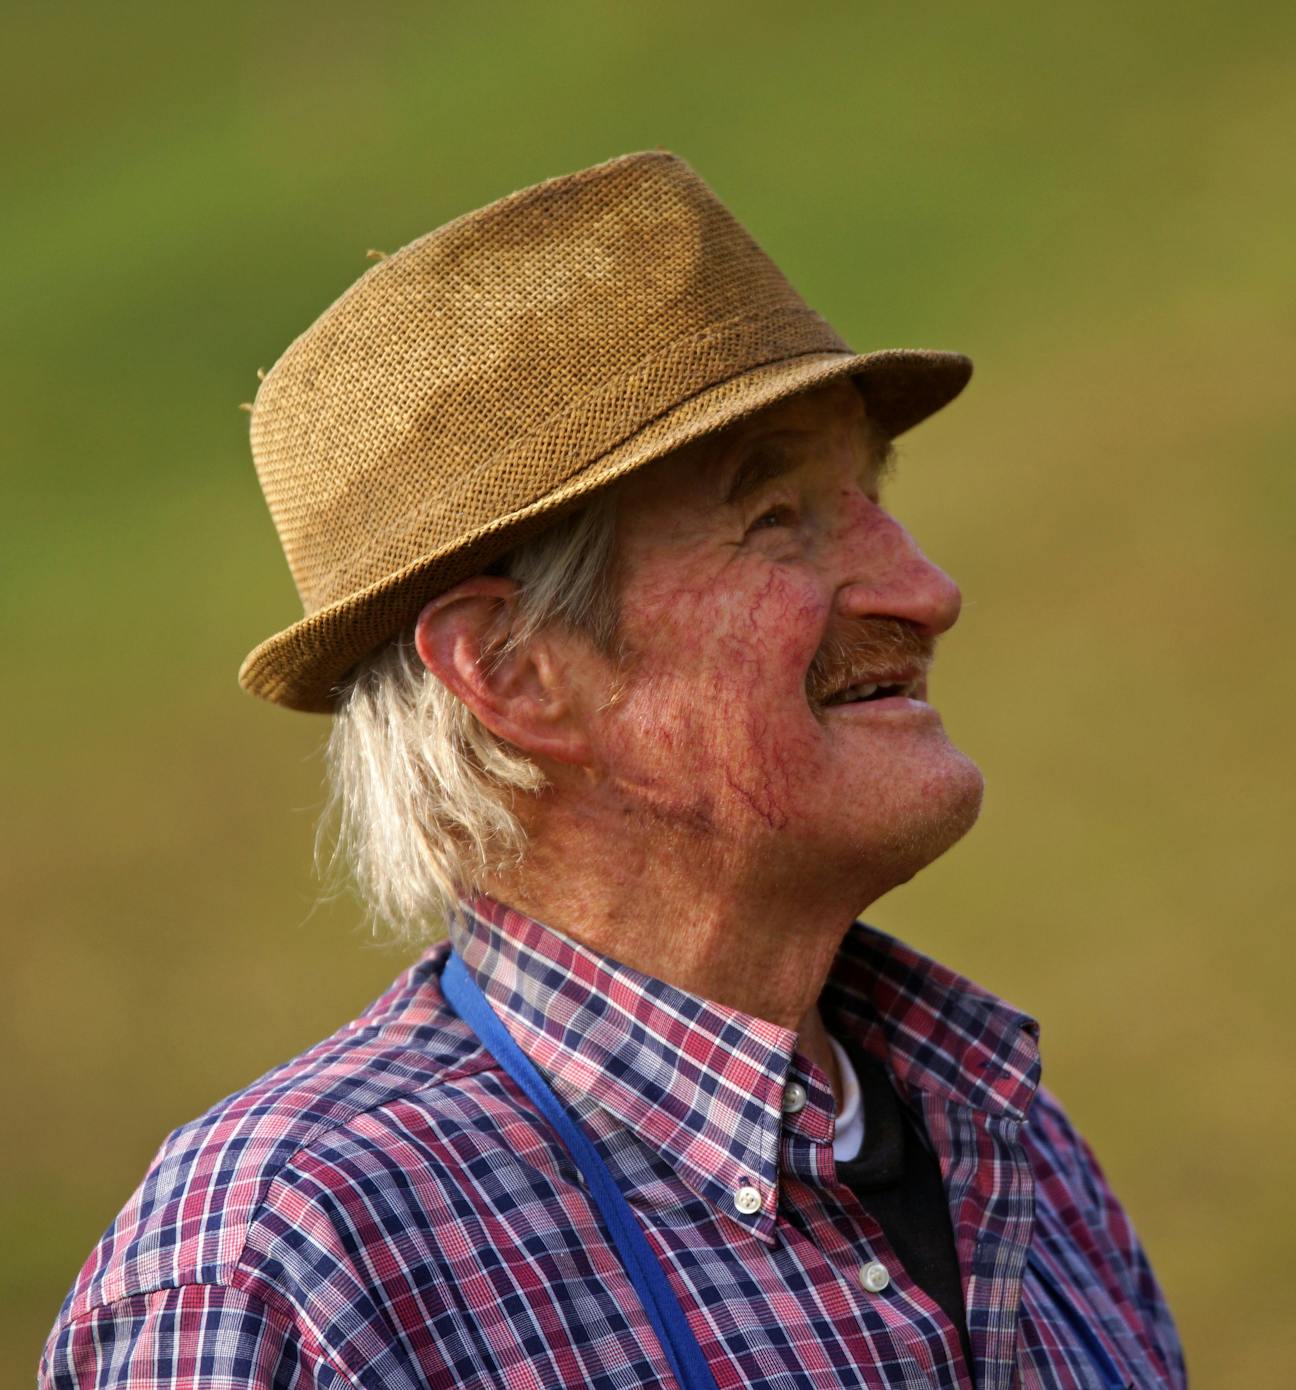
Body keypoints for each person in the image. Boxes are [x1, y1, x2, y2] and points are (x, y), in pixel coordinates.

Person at [41, 151, 1186, 1390]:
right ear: (518, 669)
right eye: (777, 519)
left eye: (869, 497)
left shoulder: (1010, 1149)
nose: (927, 589)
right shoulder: (286, 1262)